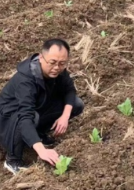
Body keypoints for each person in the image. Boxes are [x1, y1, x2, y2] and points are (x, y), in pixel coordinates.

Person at [0, 38, 84, 174]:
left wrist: (65, 116)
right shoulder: (26, 80)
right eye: (52, 63)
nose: (57, 67)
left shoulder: (59, 71)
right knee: (31, 117)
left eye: (62, 63)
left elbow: (69, 89)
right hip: (8, 120)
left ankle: (37, 134)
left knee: (76, 104)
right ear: (41, 58)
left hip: (36, 108)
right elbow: (25, 116)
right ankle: (13, 160)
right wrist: (41, 151)